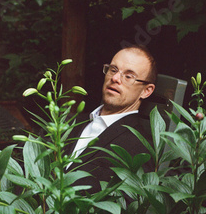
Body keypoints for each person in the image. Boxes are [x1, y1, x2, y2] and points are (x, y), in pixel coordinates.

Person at [66, 45, 156, 192]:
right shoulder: (70, 121)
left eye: (128, 76)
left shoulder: (139, 150)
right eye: (113, 70)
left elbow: (126, 208)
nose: (115, 78)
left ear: (146, 91)